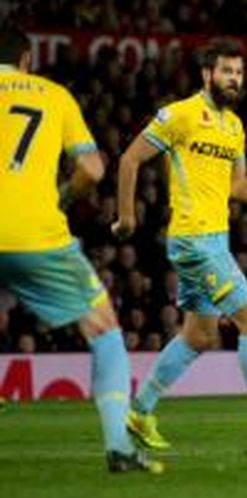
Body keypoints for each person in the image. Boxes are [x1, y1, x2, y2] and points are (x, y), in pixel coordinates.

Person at [112, 38, 247, 450]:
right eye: (226, 71)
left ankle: (139, 411)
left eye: (239, 72)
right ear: (207, 74)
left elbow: (238, 186)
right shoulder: (179, 115)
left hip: (215, 239)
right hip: (193, 238)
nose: (234, 79)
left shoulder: (234, 126)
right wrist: (127, 216)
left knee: (200, 336)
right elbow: (130, 159)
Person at [0, 27, 161, 473]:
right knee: (104, 330)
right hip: (36, 233)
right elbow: (91, 167)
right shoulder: (53, 95)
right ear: (27, 59)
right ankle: (119, 448)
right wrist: (63, 198)